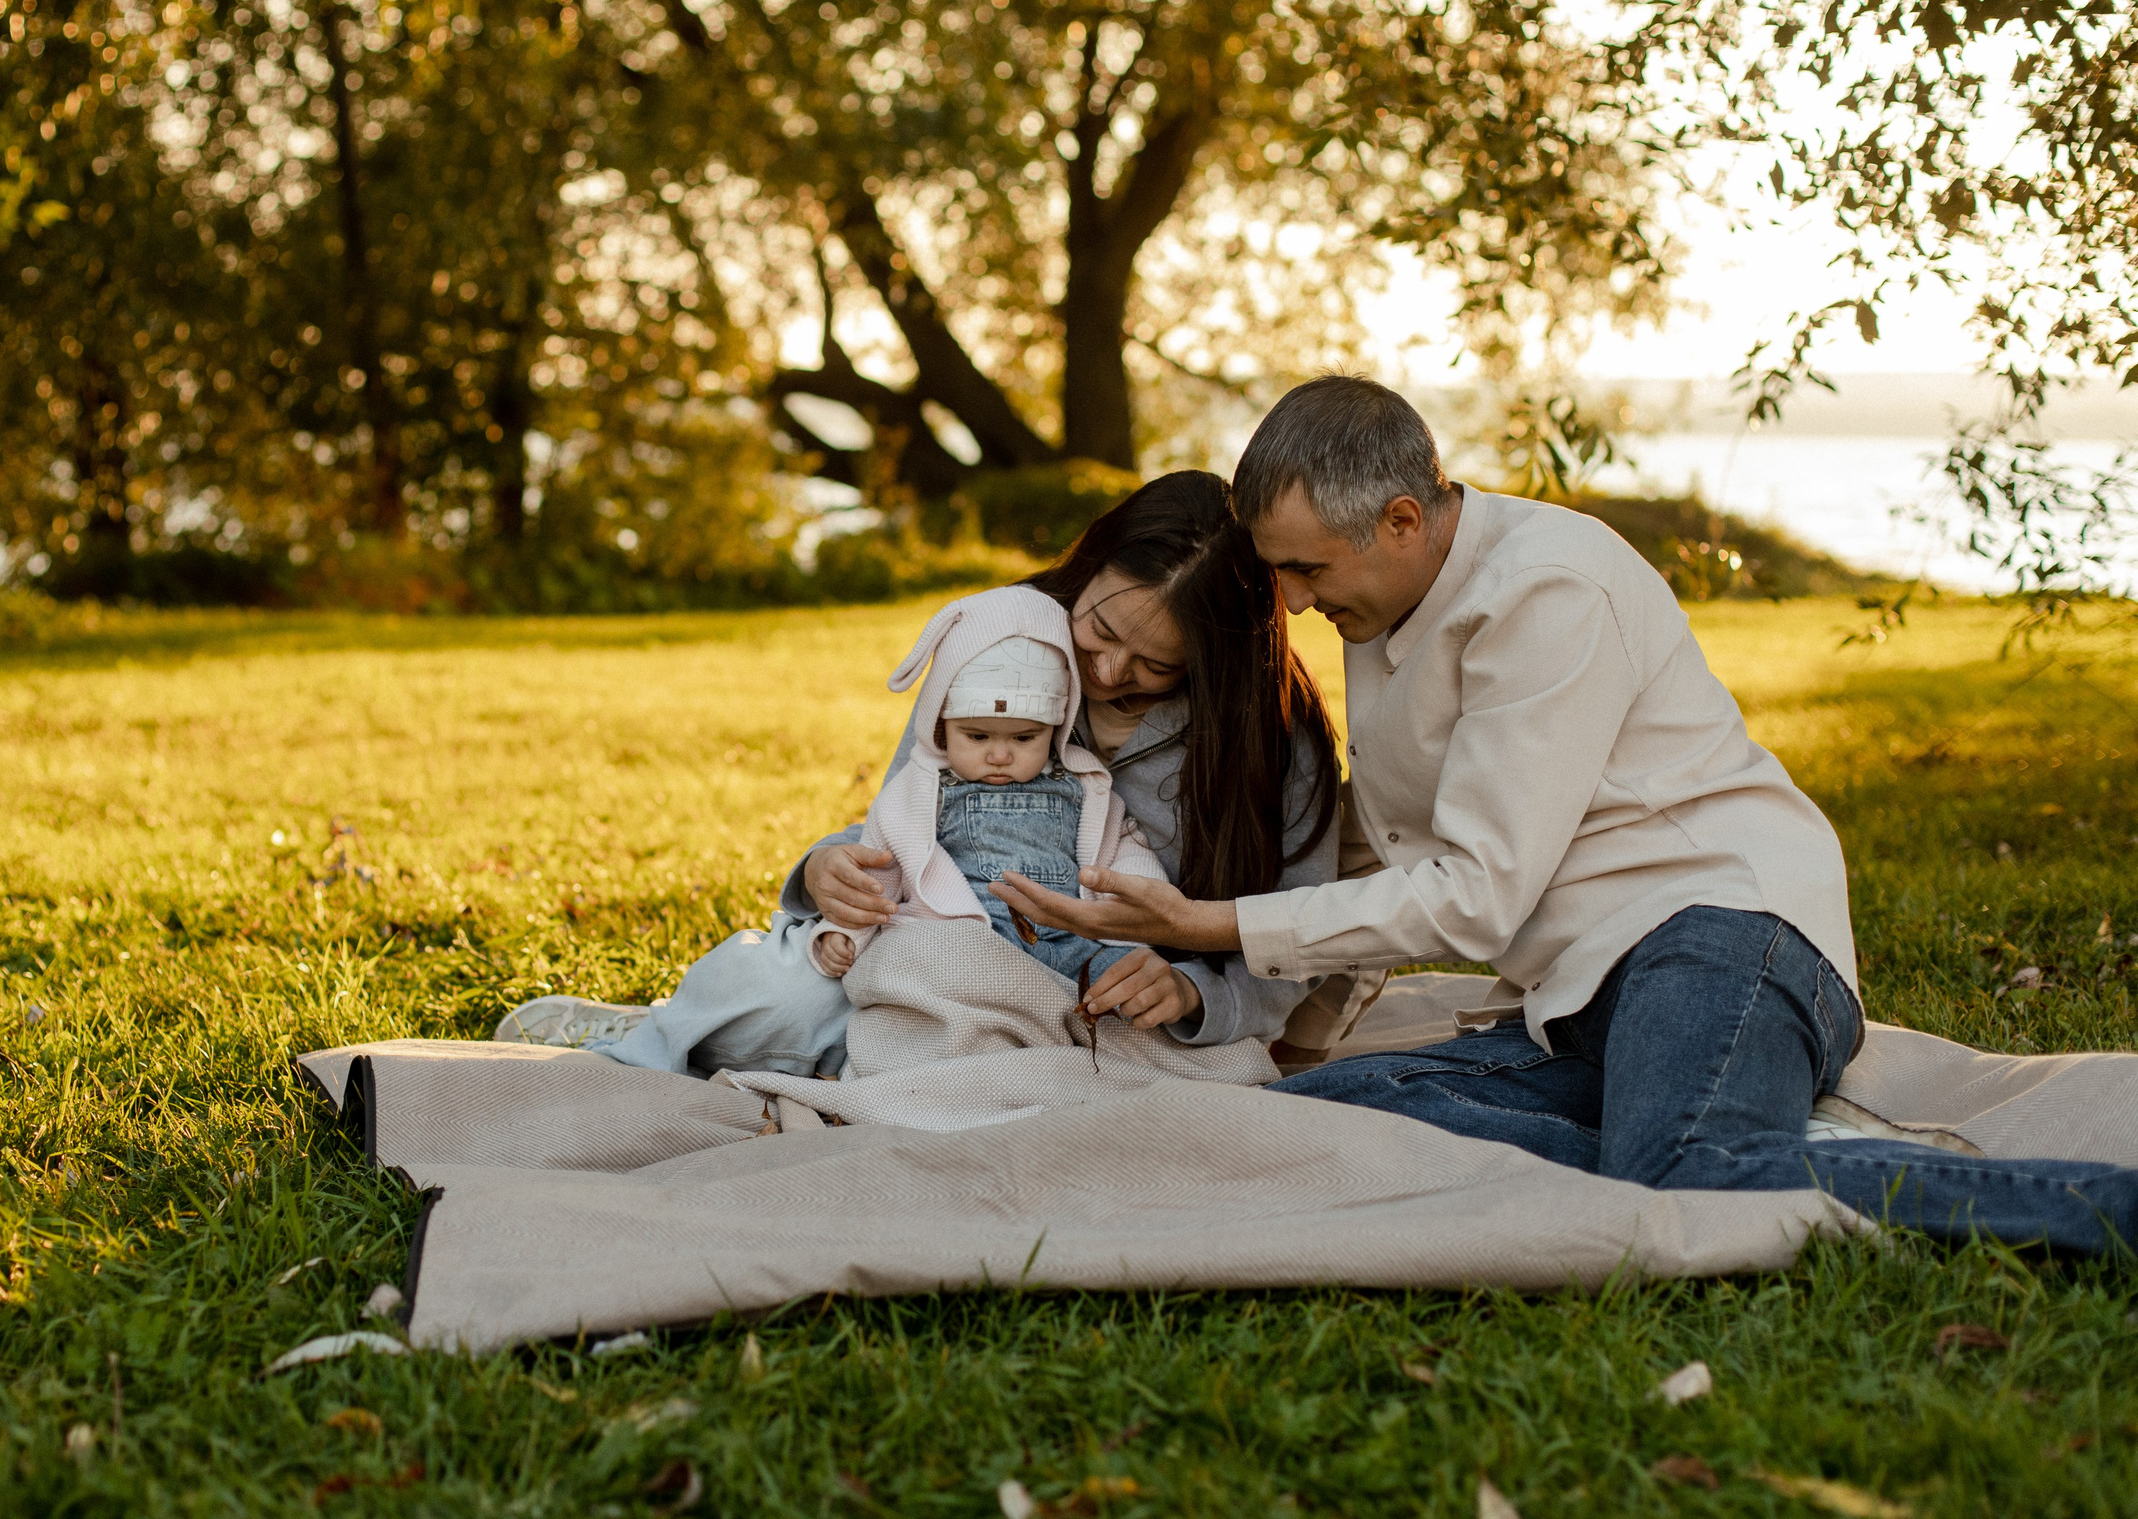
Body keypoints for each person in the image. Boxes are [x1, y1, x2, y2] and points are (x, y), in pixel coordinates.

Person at [1002, 375, 2138, 1254]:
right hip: (1573, 1003)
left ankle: (2098, 1210)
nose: (1289, 602)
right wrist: (1304, 1042)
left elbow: (1475, 891)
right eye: (1277, 571)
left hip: (1718, 933)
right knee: (1331, 1110)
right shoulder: (1382, 610)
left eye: (1305, 569)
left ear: (1402, 518)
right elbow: (1383, 850)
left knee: (1696, 1177)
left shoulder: (1548, 589)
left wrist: (1211, 927)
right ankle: (1751, 1138)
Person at [495, 470, 1354, 1075]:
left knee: (1176, 1083)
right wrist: (825, 869)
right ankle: (666, 1033)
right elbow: (917, 807)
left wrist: (1193, 994)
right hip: (933, 939)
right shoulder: (1006, 642)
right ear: (1086, 568)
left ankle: (722, 1043)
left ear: (1217, 661)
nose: (1106, 670)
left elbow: (1294, 946)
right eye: (1099, 631)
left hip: (1099, 998)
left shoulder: (1275, 745)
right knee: (792, 998)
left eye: (1154, 664)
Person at [806, 587, 1168, 989]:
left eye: (1025, 739)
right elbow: (881, 873)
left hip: (1069, 940)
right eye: (977, 737)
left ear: (1056, 729)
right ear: (943, 726)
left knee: (1125, 987)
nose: (1000, 755)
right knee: (902, 961)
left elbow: (1120, 848)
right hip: (960, 937)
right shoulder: (920, 791)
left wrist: (1139, 908)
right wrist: (847, 932)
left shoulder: (1085, 788)